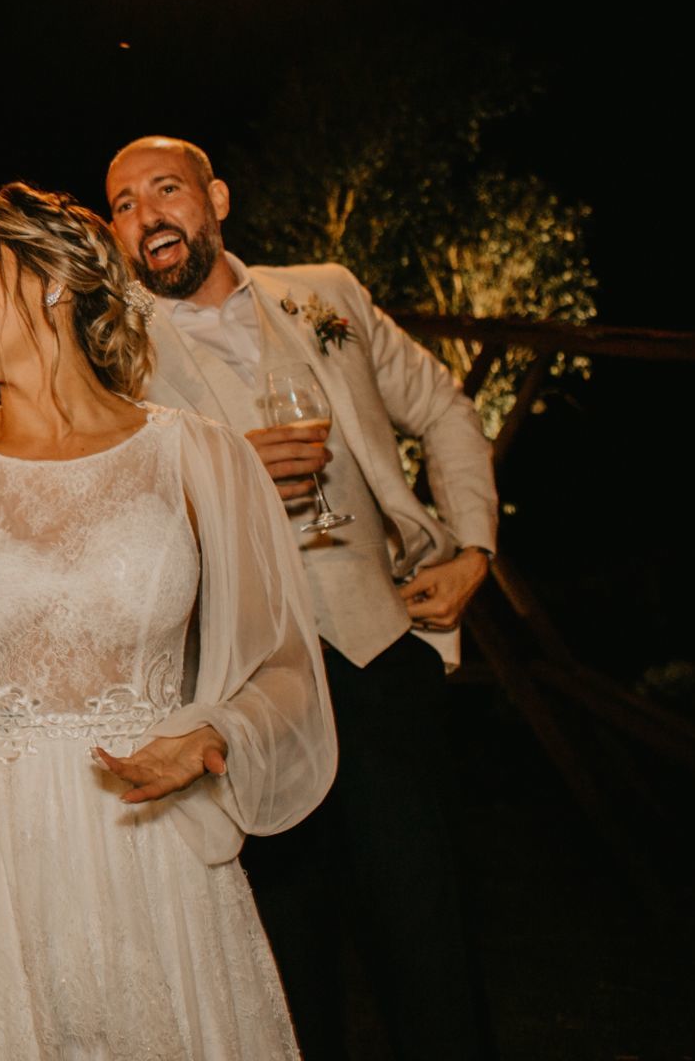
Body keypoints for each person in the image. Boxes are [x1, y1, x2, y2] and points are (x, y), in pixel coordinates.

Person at [0, 183, 336, 1060]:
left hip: (149, 847)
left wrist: (212, 733)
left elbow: (287, 669)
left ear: (54, 281)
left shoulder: (199, 455)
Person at [105, 135, 499, 1060]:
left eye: (166, 190)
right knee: (284, 966)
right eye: (123, 205)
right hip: (242, 682)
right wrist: (228, 481)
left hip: (379, 649)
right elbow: (111, 499)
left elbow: (444, 408)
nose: (147, 216)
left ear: (217, 198)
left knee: (428, 940)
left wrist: (474, 547)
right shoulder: (113, 347)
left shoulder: (325, 294)